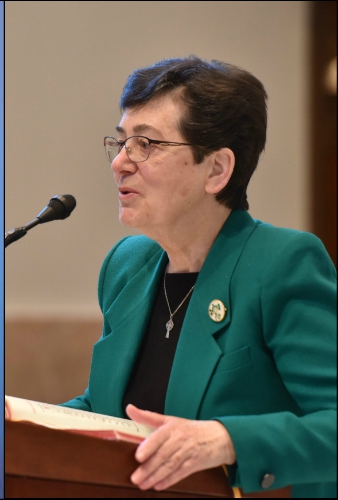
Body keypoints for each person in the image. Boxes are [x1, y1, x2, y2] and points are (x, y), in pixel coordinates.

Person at [60, 56, 337, 497]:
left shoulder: (281, 264)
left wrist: (228, 441)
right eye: (122, 141)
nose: (120, 163)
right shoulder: (126, 265)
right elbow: (106, 409)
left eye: (146, 144)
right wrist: (20, 422)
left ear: (217, 170)